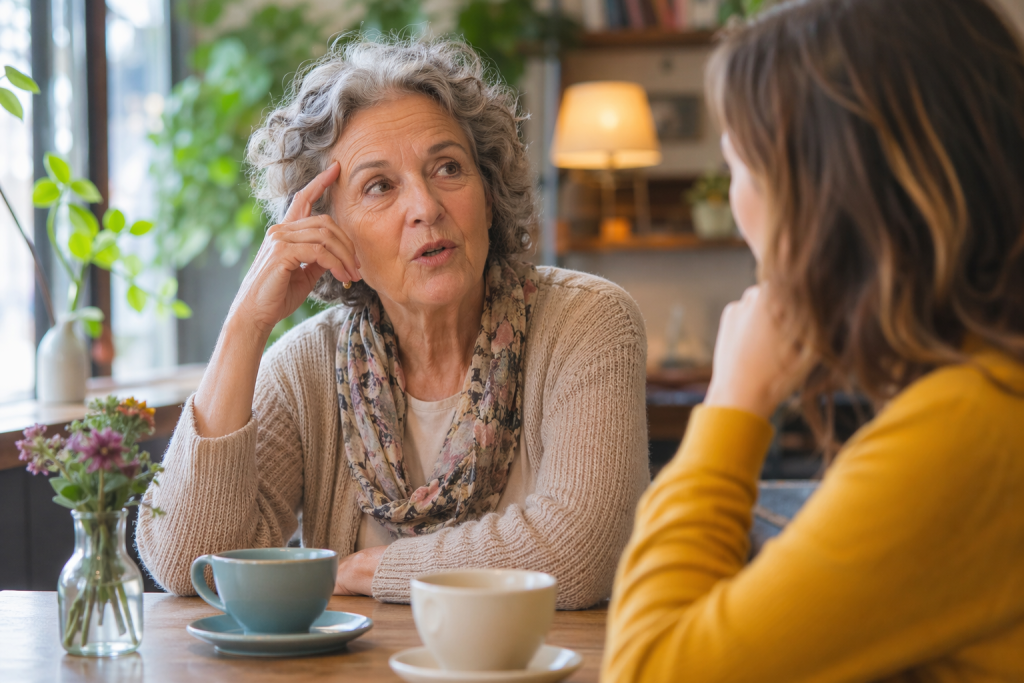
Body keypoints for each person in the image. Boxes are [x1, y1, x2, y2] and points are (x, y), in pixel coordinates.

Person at [136, 37, 650, 609]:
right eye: (379, 186)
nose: (426, 207)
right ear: (330, 231)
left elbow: (579, 553)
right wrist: (245, 325)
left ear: (487, 194)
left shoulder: (587, 322)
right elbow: (192, 564)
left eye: (448, 168)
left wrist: (375, 569)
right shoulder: (307, 368)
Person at [603, 0, 1024, 679]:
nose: (737, 206)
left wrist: (732, 401)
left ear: (831, 197)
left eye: (740, 166)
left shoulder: (970, 427)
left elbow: (649, 669)